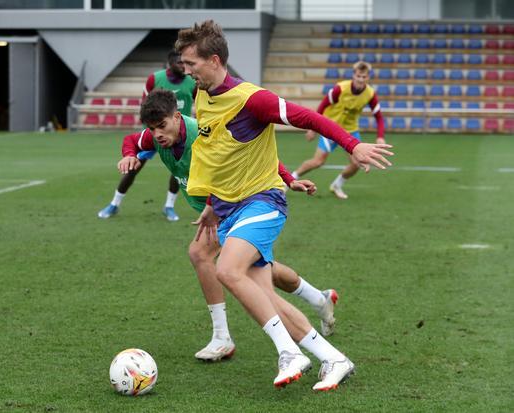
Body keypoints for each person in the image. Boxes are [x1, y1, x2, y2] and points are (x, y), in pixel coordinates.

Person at [175, 20, 393, 390]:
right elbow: (216, 156)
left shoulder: (252, 98)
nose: (186, 71)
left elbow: (309, 116)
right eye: (184, 64)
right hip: (229, 209)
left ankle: (288, 353)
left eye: (191, 64)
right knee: (266, 299)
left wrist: (352, 145)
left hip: (262, 202)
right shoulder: (203, 96)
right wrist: (212, 203)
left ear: (214, 60)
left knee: (227, 270)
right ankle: (334, 358)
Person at [118, 90, 339, 365]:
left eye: (162, 126)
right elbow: (132, 140)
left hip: (236, 203)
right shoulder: (155, 136)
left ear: (177, 117)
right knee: (259, 269)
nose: (157, 134)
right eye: (152, 129)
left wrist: (287, 178)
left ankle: (224, 337)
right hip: (216, 210)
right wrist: (129, 155)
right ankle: (319, 299)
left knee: (201, 254)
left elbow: (253, 153)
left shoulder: (201, 133)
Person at [98, 50, 197, 221]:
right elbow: (146, 106)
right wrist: (150, 133)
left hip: (182, 136)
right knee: (133, 168)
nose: (182, 66)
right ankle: (114, 204)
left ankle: (169, 207)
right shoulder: (155, 79)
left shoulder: (191, 82)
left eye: (185, 63)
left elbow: (200, 103)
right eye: (179, 63)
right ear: (170, 63)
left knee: (178, 173)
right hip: (154, 134)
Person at [292, 61, 386, 200]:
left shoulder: (370, 94)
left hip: (350, 131)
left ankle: (337, 185)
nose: (361, 79)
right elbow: (323, 106)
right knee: (318, 162)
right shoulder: (340, 89)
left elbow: (378, 116)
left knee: (357, 162)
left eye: (364, 77)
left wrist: (380, 136)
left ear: (368, 77)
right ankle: (291, 180)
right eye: (358, 76)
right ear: (353, 75)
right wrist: (313, 128)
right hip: (330, 128)